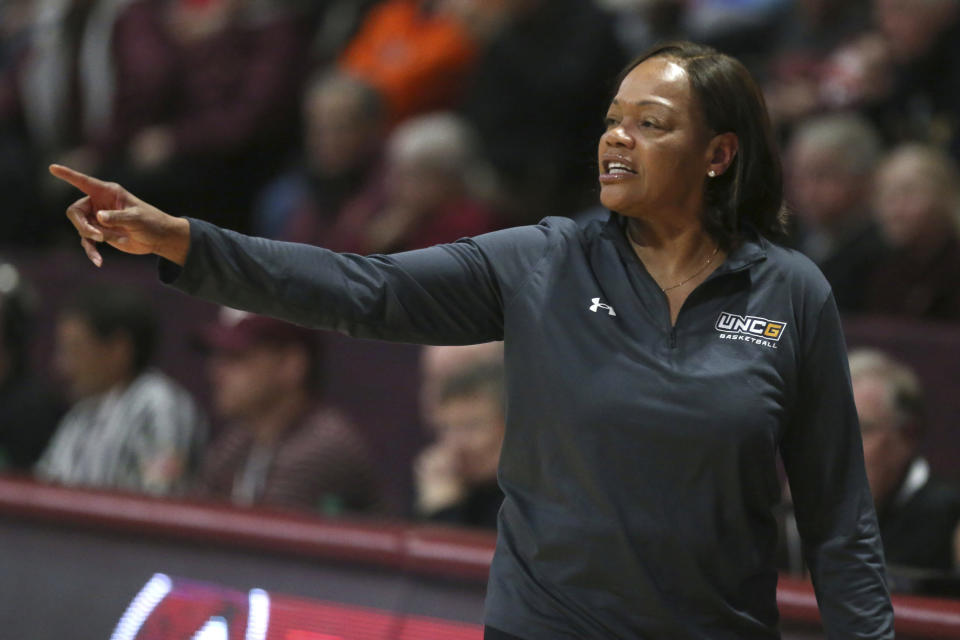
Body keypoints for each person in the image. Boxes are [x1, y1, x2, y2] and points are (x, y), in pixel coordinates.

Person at [53, 40, 893, 639]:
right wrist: (187, 242)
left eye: (650, 123)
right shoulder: (544, 261)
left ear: (719, 154)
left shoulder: (792, 294)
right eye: (611, 120)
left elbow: (837, 518)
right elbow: (363, 289)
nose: (615, 138)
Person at [194, 309, 379, 514]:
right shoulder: (239, 439)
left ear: (292, 364)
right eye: (217, 356)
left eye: (236, 357)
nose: (215, 372)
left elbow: (259, 539)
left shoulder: (324, 446)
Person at [35, 286, 206, 495]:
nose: (61, 365)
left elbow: (159, 505)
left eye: (75, 349)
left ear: (119, 349)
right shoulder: (79, 415)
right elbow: (43, 492)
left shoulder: (158, 404)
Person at [849, 349, 960, 571]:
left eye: (860, 429)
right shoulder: (799, 514)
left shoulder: (951, 522)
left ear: (907, 435)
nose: (840, 447)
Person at [784, 112, 887, 312]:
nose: (808, 191)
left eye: (823, 176)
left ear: (865, 179)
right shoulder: (782, 239)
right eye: (799, 176)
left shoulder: (884, 253)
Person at [864, 144, 960, 321]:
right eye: (885, 194)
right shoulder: (878, 266)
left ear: (945, 196)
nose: (894, 208)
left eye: (909, 192)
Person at [415, 360, 505, 529]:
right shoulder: (441, 482)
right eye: (446, 428)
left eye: (471, 427)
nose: (456, 445)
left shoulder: (534, 503)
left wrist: (443, 512)